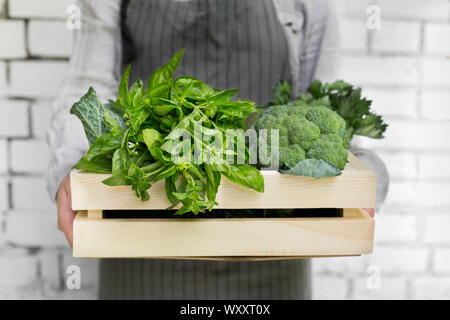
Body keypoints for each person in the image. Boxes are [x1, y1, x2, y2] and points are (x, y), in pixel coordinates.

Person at [47, 0, 388, 299]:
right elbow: (88, 84)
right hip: (143, 250)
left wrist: (362, 178)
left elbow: (322, 103)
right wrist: (72, 173)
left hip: (275, 251)